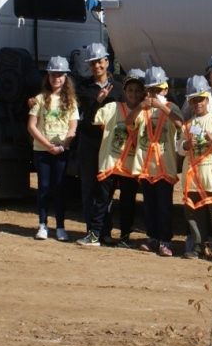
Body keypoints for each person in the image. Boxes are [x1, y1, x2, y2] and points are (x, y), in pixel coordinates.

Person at [82, 68, 145, 249]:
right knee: (102, 201)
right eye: (130, 90)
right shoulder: (112, 108)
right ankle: (95, 234)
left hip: (130, 166)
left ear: (142, 93)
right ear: (124, 92)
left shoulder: (144, 113)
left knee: (127, 204)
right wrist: (98, 101)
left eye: (137, 90)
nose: (133, 93)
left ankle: (125, 236)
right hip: (110, 163)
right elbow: (91, 121)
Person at [129, 66, 183, 256]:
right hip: (146, 165)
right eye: (150, 90)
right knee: (149, 205)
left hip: (165, 165)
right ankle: (152, 237)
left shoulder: (170, 106)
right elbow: (129, 123)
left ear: (165, 90)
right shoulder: (143, 108)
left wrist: (161, 107)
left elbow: (179, 124)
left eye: (158, 90)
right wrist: (138, 108)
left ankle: (165, 240)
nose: (154, 94)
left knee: (164, 205)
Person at [179, 75, 212, 260]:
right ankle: (198, 246)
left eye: (200, 99)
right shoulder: (188, 125)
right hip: (192, 177)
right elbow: (179, 149)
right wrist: (186, 145)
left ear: (207, 99)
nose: (197, 104)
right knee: (193, 213)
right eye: (193, 101)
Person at [27, 56, 80, 241]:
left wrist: (64, 145)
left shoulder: (71, 101)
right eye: (53, 74)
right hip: (42, 151)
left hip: (61, 151)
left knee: (59, 188)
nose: (56, 78)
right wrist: (48, 145)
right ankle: (42, 225)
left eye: (60, 75)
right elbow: (32, 126)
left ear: (66, 77)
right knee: (44, 187)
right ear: (48, 76)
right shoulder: (40, 99)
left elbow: (73, 126)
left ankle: (60, 226)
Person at [74, 43, 119, 247]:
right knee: (89, 188)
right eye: (93, 63)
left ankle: (104, 232)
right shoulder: (83, 88)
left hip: (111, 145)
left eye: (99, 62)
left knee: (106, 191)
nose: (96, 66)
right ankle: (91, 231)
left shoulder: (118, 88)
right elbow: (81, 119)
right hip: (90, 143)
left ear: (107, 62)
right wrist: (97, 102)